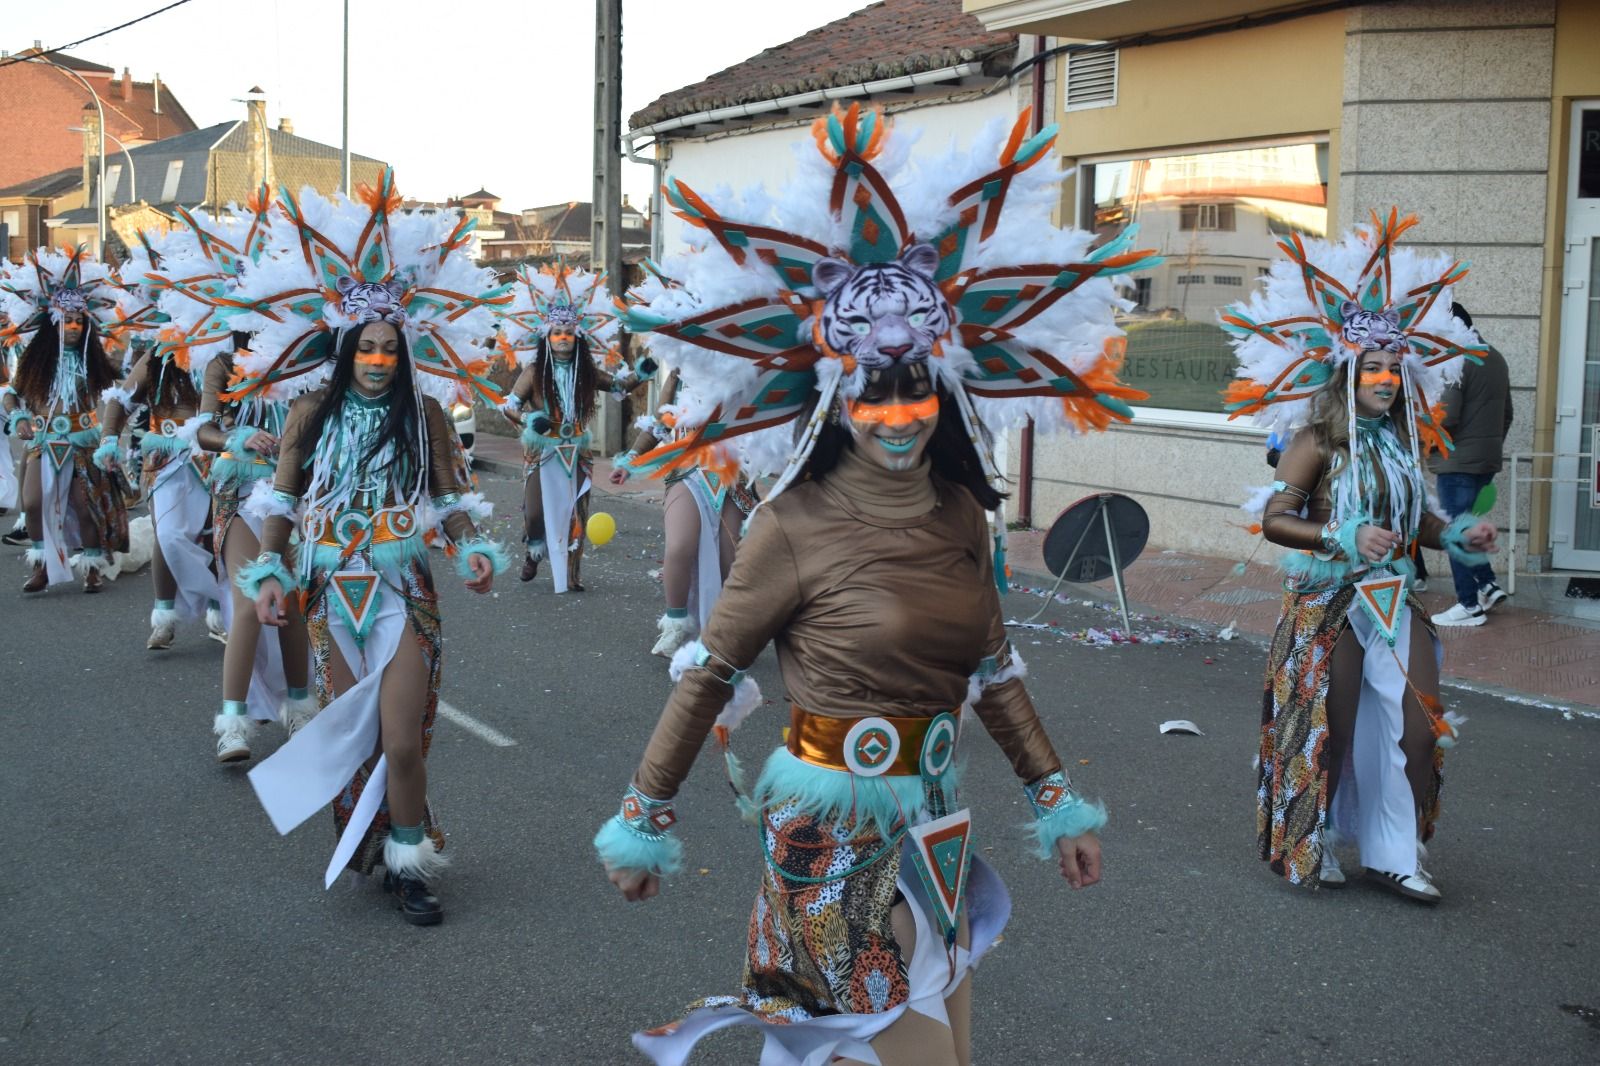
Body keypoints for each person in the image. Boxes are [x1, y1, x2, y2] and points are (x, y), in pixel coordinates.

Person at [598, 104, 1156, 1064]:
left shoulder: (958, 514)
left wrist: (1058, 803)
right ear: (833, 396)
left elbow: (995, 669)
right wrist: (644, 816)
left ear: (945, 387)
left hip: (938, 823)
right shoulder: (790, 523)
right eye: (873, 394)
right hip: (830, 836)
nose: (897, 416)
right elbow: (712, 673)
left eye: (915, 391)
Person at [228, 171, 510, 924]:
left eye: (391, 347)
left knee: (403, 741)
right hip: (330, 587)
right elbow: (281, 502)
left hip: (401, 586)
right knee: (354, 739)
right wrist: (268, 573)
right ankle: (369, 842)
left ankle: (411, 862)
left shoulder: (424, 416)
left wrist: (471, 549)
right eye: (368, 347)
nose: (380, 358)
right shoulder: (310, 412)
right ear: (347, 346)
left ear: (403, 349)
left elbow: (449, 503)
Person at [1223, 209, 1497, 904]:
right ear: (1346, 369)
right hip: (1329, 604)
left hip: (1395, 599)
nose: (1385, 379)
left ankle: (1394, 852)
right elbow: (1276, 519)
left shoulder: (1402, 442)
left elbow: (1416, 525)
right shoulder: (1317, 439)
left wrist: (1456, 534)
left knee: (1416, 724)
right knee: (1332, 730)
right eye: (1372, 367)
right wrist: (1340, 537)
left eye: (1394, 369)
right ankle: (1309, 844)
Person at [139, 193, 318, 760]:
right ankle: (233, 723)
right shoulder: (221, 364)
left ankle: (297, 704)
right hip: (240, 489)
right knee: (249, 602)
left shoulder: (308, 362)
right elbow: (206, 429)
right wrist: (234, 436)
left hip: (295, 494)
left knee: (287, 602)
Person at [494, 260, 652, 592]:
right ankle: (534, 550)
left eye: (568, 332)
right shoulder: (533, 372)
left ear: (577, 336)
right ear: (547, 337)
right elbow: (509, 407)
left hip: (576, 451)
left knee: (576, 514)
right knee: (536, 513)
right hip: (541, 451)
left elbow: (621, 387)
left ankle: (572, 574)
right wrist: (529, 422)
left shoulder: (587, 372)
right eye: (557, 333)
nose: (563, 338)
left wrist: (644, 369)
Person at [0, 248, 133, 593]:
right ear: (52, 322)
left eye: (79, 321)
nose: (73, 327)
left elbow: (127, 384)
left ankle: (91, 566)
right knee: (32, 503)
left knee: (84, 507)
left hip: (82, 441)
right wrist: (17, 417)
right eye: (67, 320)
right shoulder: (35, 359)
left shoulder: (94, 359)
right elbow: (11, 393)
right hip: (42, 441)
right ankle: (43, 565)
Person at [611, 362, 756, 657]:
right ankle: (676, 624)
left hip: (732, 477)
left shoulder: (746, 363)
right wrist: (632, 459)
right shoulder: (679, 373)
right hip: (687, 472)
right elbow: (660, 421)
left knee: (732, 558)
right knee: (679, 547)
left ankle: (725, 630)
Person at [95, 333, 228, 649]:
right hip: (166, 459)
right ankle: (167, 616)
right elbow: (122, 398)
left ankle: (219, 613)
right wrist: (109, 438)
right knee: (167, 535)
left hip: (215, 460)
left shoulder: (225, 350)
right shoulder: (161, 351)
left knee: (213, 537)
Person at [1429, 302, 1512, 627]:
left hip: (1456, 462)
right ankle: (1488, 586)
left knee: (1454, 533)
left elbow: (1446, 416)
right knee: (1468, 527)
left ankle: (1468, 605)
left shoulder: (1456, 358)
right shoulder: (1495, 356)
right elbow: (1508, 414)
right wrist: (1489, 446)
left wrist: (1423, 435)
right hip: (1485, 460)